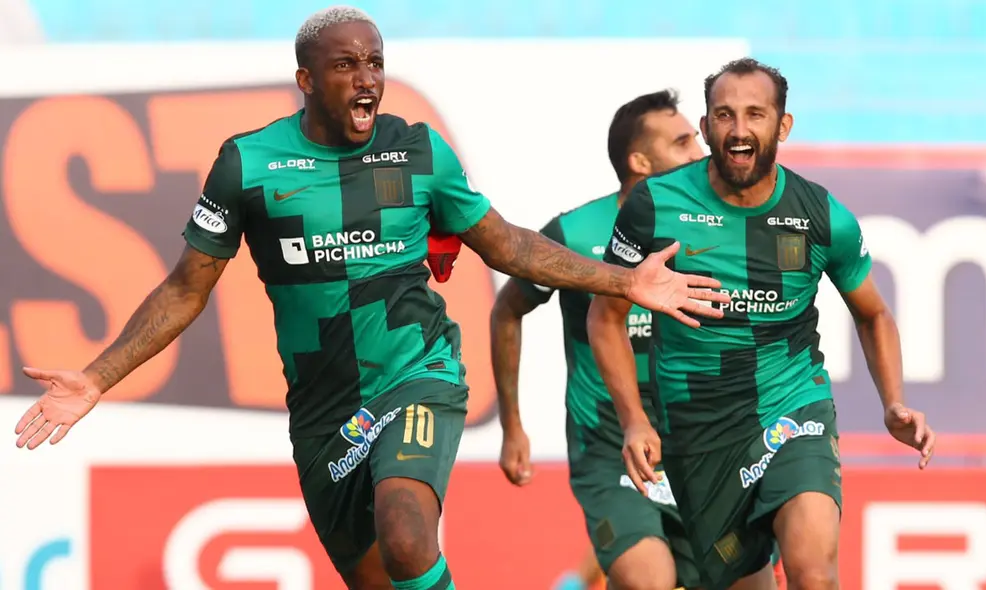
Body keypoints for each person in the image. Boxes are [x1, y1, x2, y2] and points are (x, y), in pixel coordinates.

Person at [10, 6, 730, 590]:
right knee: (381, 575)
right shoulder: (247, 164)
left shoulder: (418, 152)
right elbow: (184, 288)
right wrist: (97, 378)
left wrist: (626, 280)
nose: (366, 80)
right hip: (324, 412)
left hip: (418, 374)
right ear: (305, 78)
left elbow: (507, 245)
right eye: (346, 65)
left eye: (375, 64)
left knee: (408, 530)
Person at [588, 57, 936, 590]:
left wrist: (893, 401)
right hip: (698, 428)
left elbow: (874, 314)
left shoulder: (821, 215)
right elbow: (605, 317)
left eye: (755, 114)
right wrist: (634, 419)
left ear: (782, 125)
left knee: (812, 572)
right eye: (724, 116)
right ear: (705, 128)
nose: (739, 130)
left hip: (792, 404)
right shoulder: (653, 207)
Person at [491, 89, 705, 590]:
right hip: (607, 442)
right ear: (639, 160)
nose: (699, 153)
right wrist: (513, 425)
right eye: (682, 143)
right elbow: (506, 310)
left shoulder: (714, 230)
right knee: (648, 579)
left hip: (700, 439)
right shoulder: (574, 234)